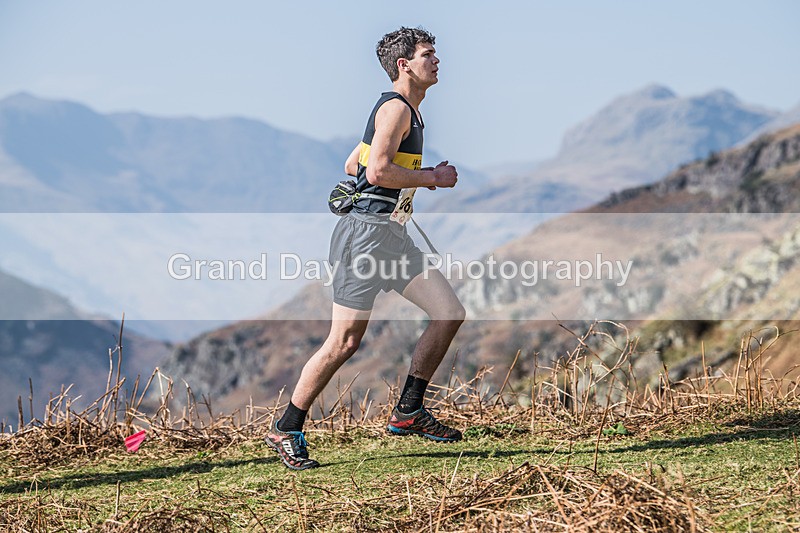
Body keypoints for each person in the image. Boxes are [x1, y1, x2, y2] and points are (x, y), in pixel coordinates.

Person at [265, 27, 466, 470]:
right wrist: (431, 177)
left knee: (449, 312)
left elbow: (353, 163)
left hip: (390, 236)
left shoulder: (406, 110)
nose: (437, 61)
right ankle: (286, 429)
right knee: (344, 342)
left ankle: (408, 412)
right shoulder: (396, 109)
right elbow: (375, 172)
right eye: (428, 54)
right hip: (364, 238)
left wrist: (394, 181)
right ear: (404, 65)